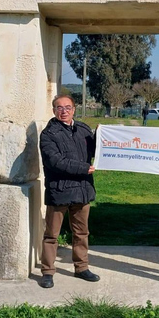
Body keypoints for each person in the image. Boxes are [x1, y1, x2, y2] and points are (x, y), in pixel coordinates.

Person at [38, 94, 100, 288]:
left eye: (67, 107)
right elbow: (54, 161)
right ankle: (48, 272)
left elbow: (96, 149)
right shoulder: (48, 134)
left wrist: (101, 136)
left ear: (74, 109)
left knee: (81, 232)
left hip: (82, 189)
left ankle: (81, 268)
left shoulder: (83, 129)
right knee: (51, 235)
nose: (63, 111)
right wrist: (82, 168)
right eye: (59, 108)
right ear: (53, 110)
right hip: (60, 190)